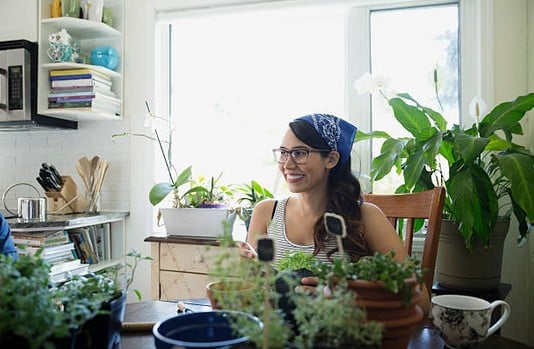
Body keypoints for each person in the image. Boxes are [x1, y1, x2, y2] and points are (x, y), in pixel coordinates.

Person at [239, 113, 430, 314]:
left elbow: (421, 300)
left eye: (300, 153)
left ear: (331, 159)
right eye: (284, 153)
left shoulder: (365, 216)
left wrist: (350, 297)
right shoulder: (266, 212)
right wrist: (252, 269)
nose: (287, 164)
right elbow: (251, 296)